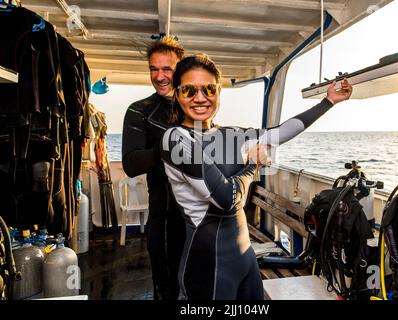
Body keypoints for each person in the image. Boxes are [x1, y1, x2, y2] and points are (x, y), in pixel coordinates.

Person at [160, 54, 353, 300]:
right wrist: (254, 165)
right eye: (189, 90)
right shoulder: (176, 139)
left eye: (208, 89)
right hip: (207, 266)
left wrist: (328, 101)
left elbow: (280, 132)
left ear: (218, 91)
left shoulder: (230, 134)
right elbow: (227, 200)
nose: (200, 98)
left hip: (246, 262)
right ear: (177, 94)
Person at [121, 36, 186, 300]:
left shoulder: (194, 107)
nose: (159, 76)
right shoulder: (139, 111)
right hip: (164, 217)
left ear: (179, 70)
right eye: (153, 69)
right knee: (166, 288)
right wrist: (170, 148)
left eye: (166, 69)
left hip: (200, 219)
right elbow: (131, 164)